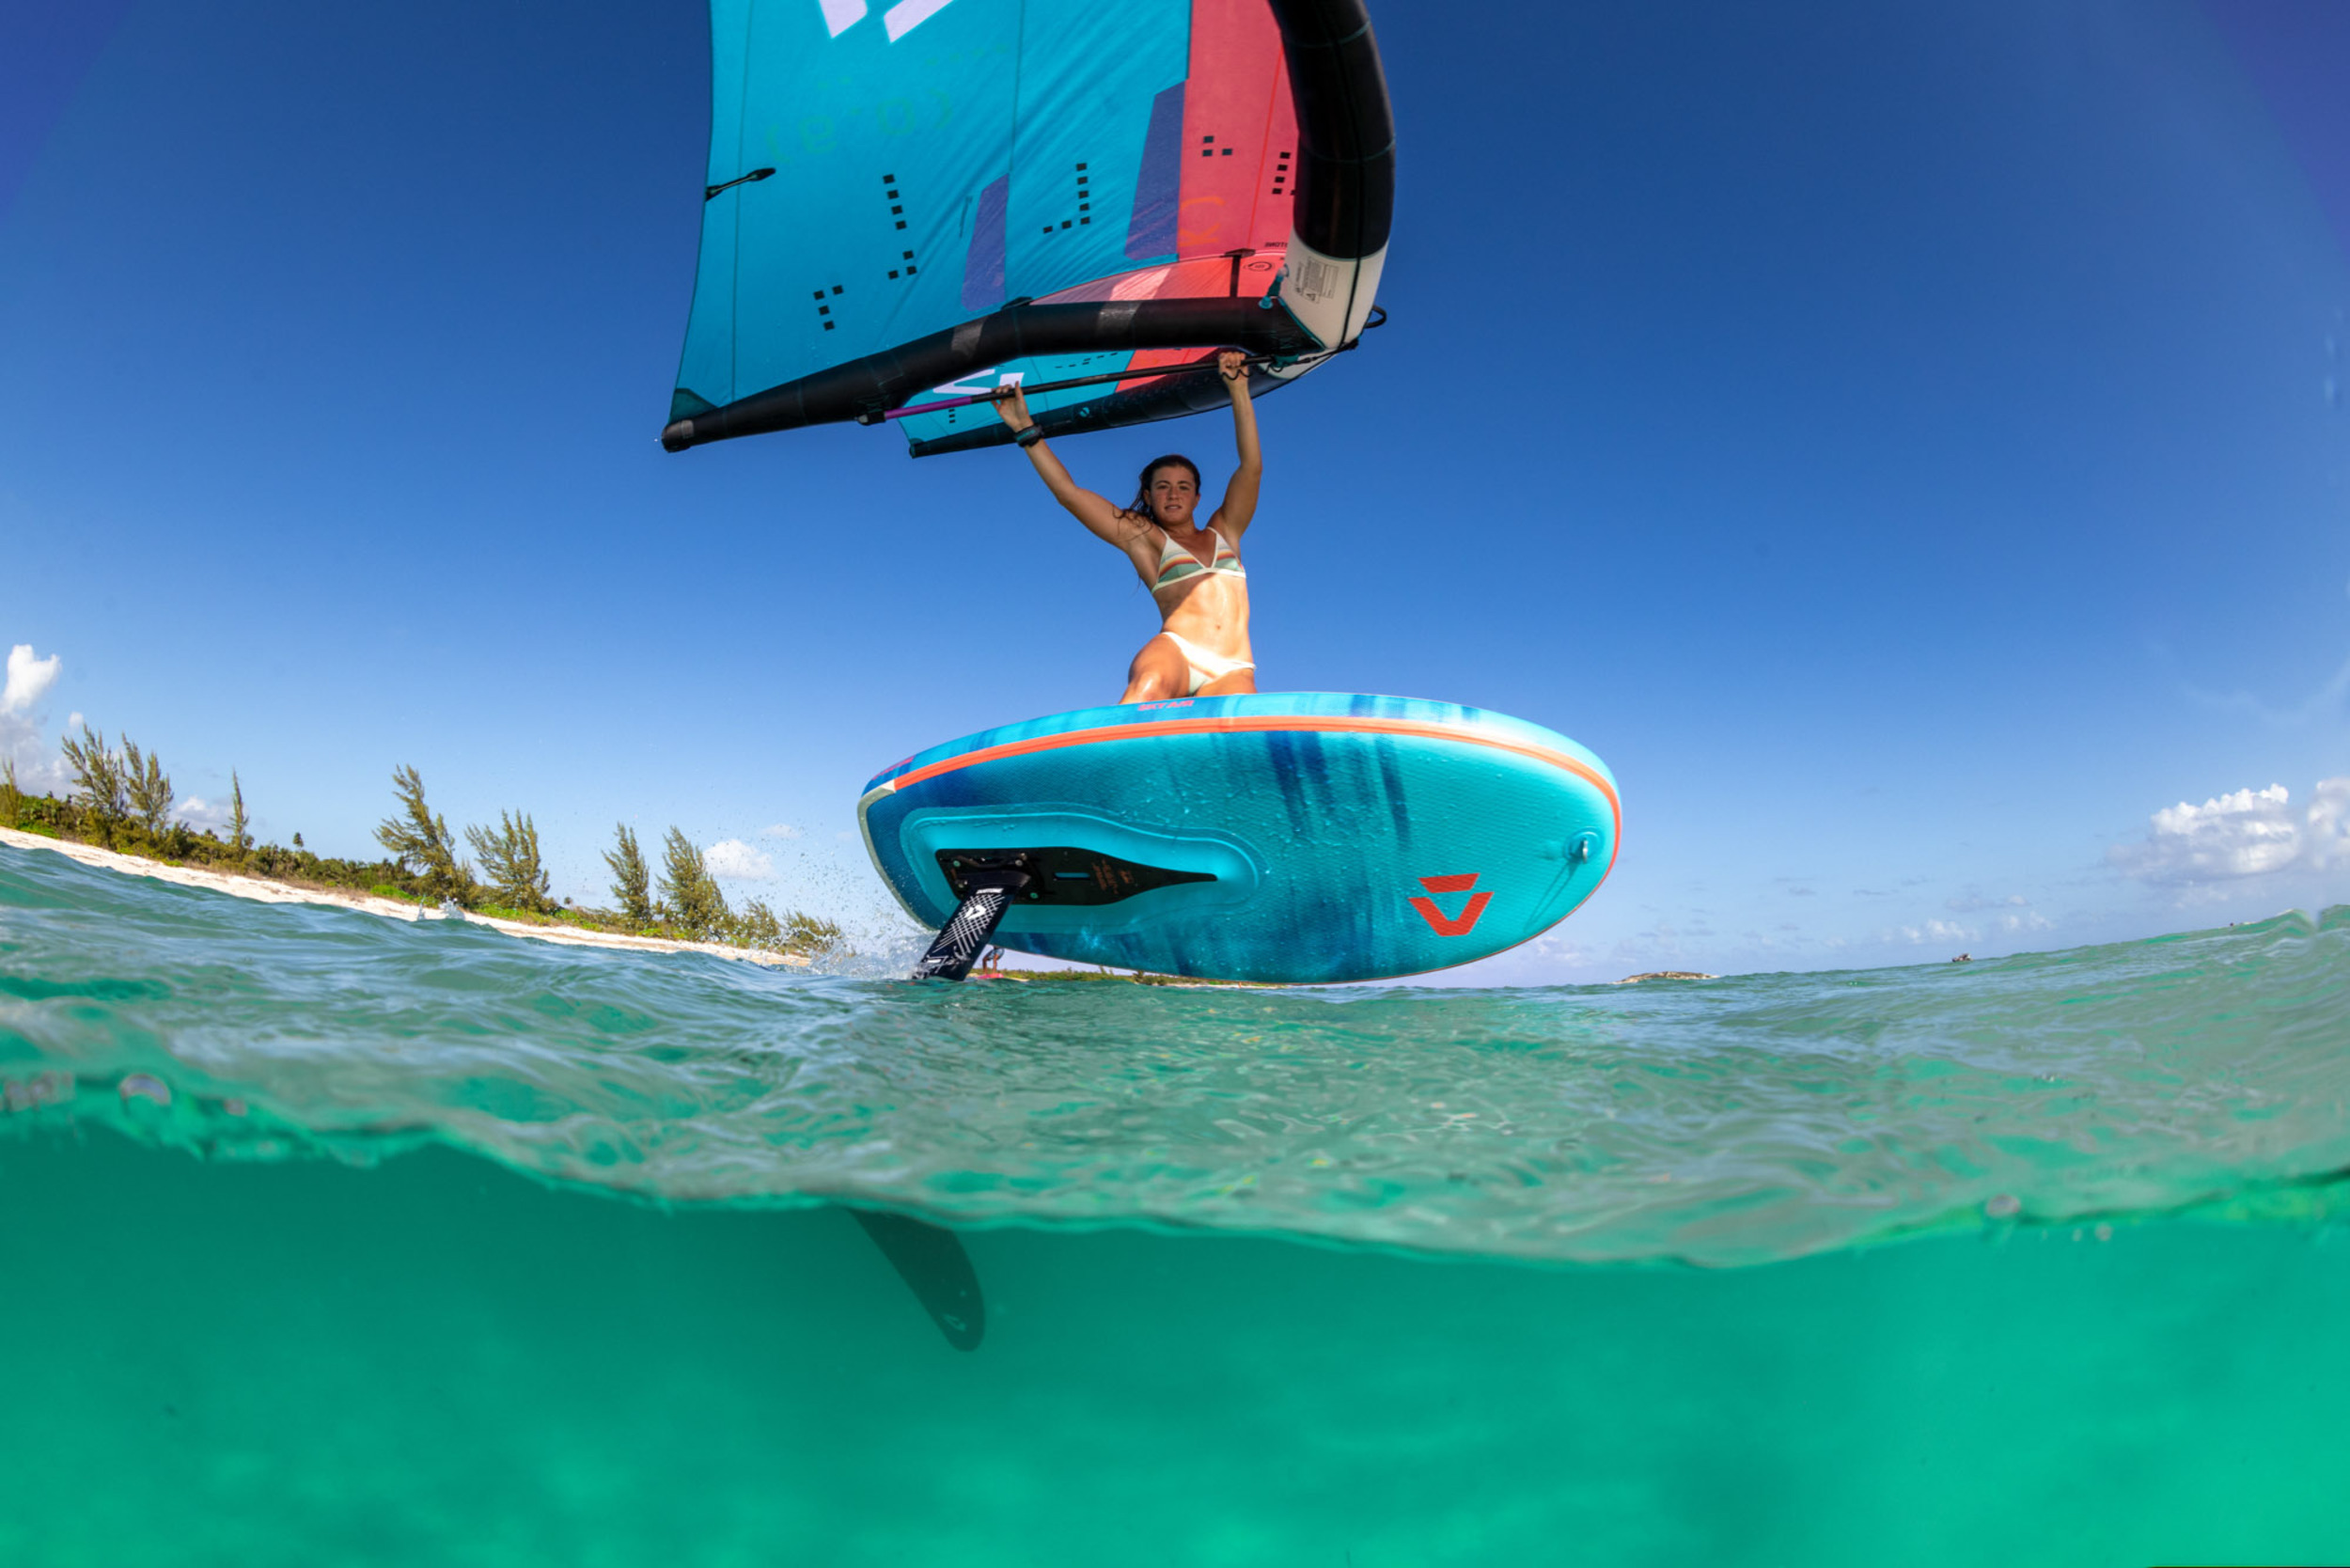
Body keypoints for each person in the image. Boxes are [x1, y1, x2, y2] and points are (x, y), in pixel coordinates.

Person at [994, 349, 1260, 702]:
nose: (1173, 494)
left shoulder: (1225, 530)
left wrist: (1239, 390)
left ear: (1197, 497)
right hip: (1178, 652)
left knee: (1235, 738)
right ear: (1148, 497)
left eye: (1183, 487)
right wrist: (1025, 429)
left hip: (1233, 666)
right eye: (1162, 487)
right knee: (1148, 687)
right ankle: (1103, 755)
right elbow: (1070, 494)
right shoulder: (1143, 537)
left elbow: (1251, 467)